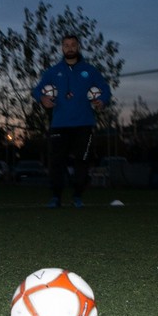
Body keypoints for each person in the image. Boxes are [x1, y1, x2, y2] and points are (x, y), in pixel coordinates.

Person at [31, 34, 111, 208]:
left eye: (73, 44)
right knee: (56, 162)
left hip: (84, 124)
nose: (69, 48)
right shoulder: (53, 71)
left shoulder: (89, 71)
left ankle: (77, 196)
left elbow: (105, 89)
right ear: (62, 48)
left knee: (82, 161)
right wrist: (41, 98)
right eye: (66, 45)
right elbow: (36, 90)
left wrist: (102, 100)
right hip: (60, 124)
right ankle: (56, 197)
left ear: (78, 47)